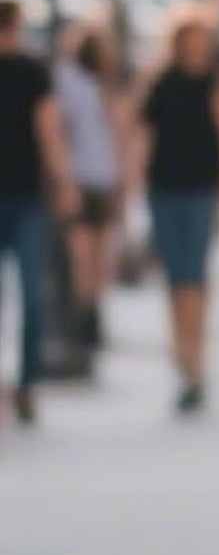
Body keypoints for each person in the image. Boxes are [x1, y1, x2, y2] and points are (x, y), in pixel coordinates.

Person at [137, 7, 219, 413]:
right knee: (174, 277)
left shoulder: (217, 82)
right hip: (163, 189)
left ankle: (194, 364)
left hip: (201, 190)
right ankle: (183, 359)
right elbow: (142, 136)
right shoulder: (160, 83)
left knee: (194, 277)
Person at [0, 0, 79, 423]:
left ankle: (26, 384)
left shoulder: (33, 72)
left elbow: (48, 130)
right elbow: (50, 133)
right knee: (32, 294)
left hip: (28, 197)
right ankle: (25, 384)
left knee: (32, 295)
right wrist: (64, 184)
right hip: (28, 197)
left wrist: (63, 183)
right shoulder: (34, 71)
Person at [55, 27, 123, 349]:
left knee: (87, 256)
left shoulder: (71, 83)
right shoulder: (96, 87)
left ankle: (87, 317)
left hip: (87, 177)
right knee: (92, 256)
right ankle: (90, 317)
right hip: (95, 178)